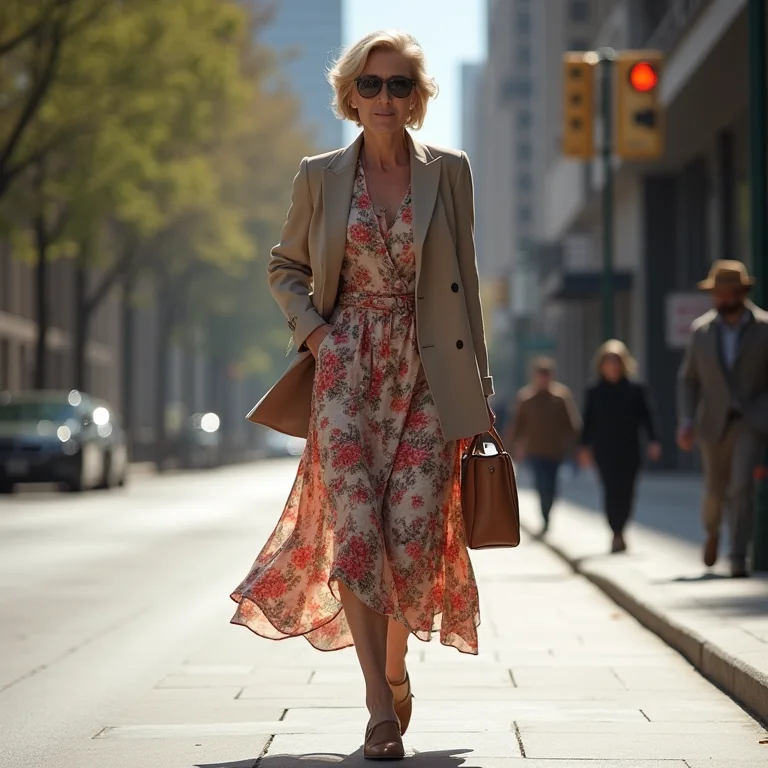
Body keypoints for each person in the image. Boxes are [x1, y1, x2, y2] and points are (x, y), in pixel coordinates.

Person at [229, 30, 494, 759]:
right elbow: (284, 266)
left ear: (417, 98)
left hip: (428, 376)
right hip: (345, 372)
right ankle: (379, 707)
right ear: (351, 95)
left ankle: (396, 668)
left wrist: (480, 392)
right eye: (371, 84)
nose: (384, 96)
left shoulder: (450, 172)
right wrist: (319, 336)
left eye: (399, 84)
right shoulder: (319, 176)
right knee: (356, 535)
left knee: (409, 536)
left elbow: (465, 286)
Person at [677, 260, 768, 578]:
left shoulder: (764, 328)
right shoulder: (701, 331)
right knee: (715, 490)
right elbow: (689, 379)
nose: (722, 298)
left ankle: (738, 555)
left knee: (741, 487)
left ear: (742, 293)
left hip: (749, 421)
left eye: (728, 292)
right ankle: (712, 532)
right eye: (717, 293)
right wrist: (687, 420)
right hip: (712, 424)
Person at [578, 340, 661, 553]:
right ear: (601, 365)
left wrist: (654, 440)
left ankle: (622, 528)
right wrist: (584, 447)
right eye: (608, 362)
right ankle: (616, 532)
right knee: (610, 489)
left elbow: (647, 416)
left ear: (623, 364)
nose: (612, 367)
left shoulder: (636, 388)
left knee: (627, 491)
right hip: (604, 450)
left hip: (630, 448)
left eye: (616, 362)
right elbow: (588, 420)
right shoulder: (594, 390)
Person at [507, 357, 581, 536]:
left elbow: (571, 424)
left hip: (555, 451)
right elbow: (517, 425)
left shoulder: (560, 397)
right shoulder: (526, 398)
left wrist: (577, 446)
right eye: (540, 375)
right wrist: (509, 448)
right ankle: (544, 516)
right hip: (534, 451)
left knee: (551, 485)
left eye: (546, 375)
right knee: (541, 484)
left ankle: (548, 512)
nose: (543, 379)